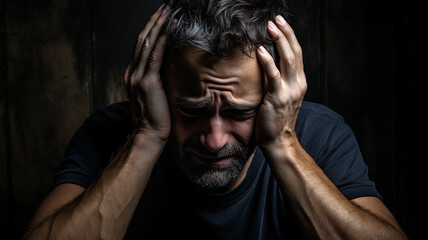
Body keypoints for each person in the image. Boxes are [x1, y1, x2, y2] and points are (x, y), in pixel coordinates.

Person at [24, 0, 407, 239]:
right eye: (191, 110)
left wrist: (284, 145)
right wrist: (145, 136)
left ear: (275, 96)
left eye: (240, 112)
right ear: (156, 89)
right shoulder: (107, 132)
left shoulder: (322, 134)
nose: (215, 139)